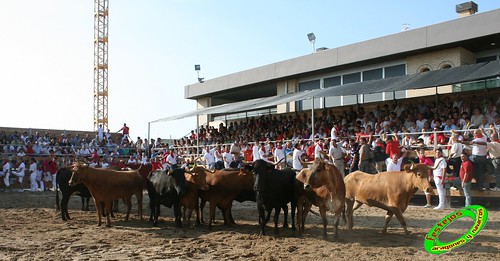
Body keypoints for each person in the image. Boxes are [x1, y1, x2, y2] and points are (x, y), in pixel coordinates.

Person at [484, 126, 500, 191]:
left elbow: (485, 142)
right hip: (495, 159)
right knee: (487, 162)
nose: (490, 138)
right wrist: (493, 130)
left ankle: (498, 187)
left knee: (497, 174)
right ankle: (492, 173)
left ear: (493, 138)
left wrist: (482, 132)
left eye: (491, 137)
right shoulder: (498, 141)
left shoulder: (493, 143)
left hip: (496, 159)